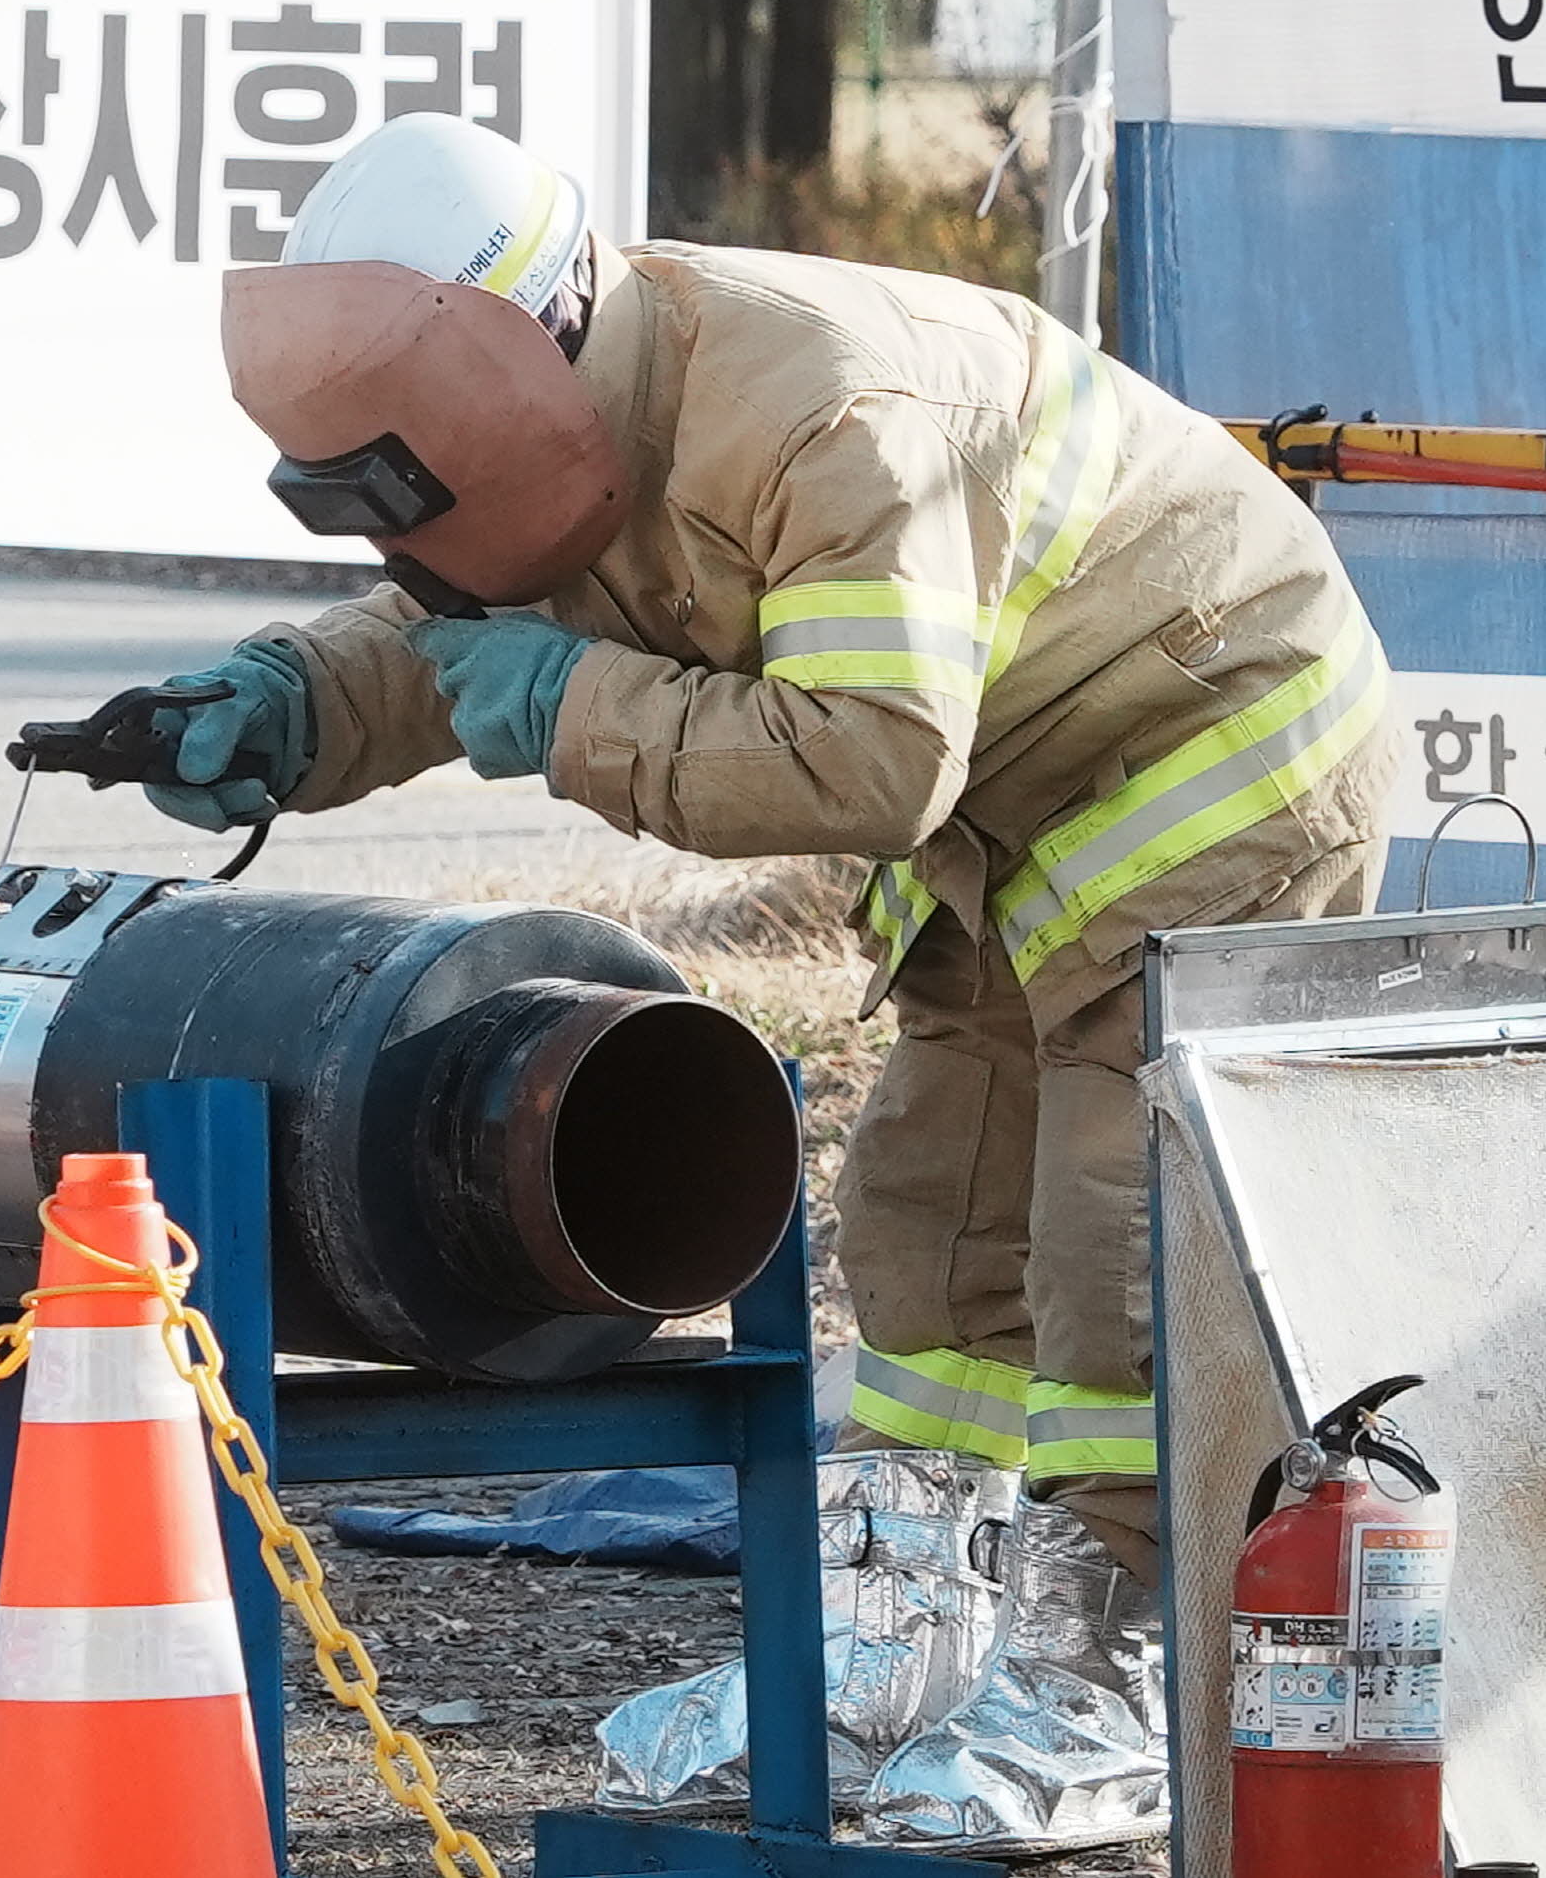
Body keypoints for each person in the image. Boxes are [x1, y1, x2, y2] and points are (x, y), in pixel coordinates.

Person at [97, 112, 1397, 1848]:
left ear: (519, 348)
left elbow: (864, 760)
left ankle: (1125, 1683)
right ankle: (897, 1645)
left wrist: (566, 710)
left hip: (1215, 765)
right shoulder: (581, 416)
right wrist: (288, 704)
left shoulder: (824, 412)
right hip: (1017, 827)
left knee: (1114, 1239)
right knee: (926, 1215)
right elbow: (470, 627)